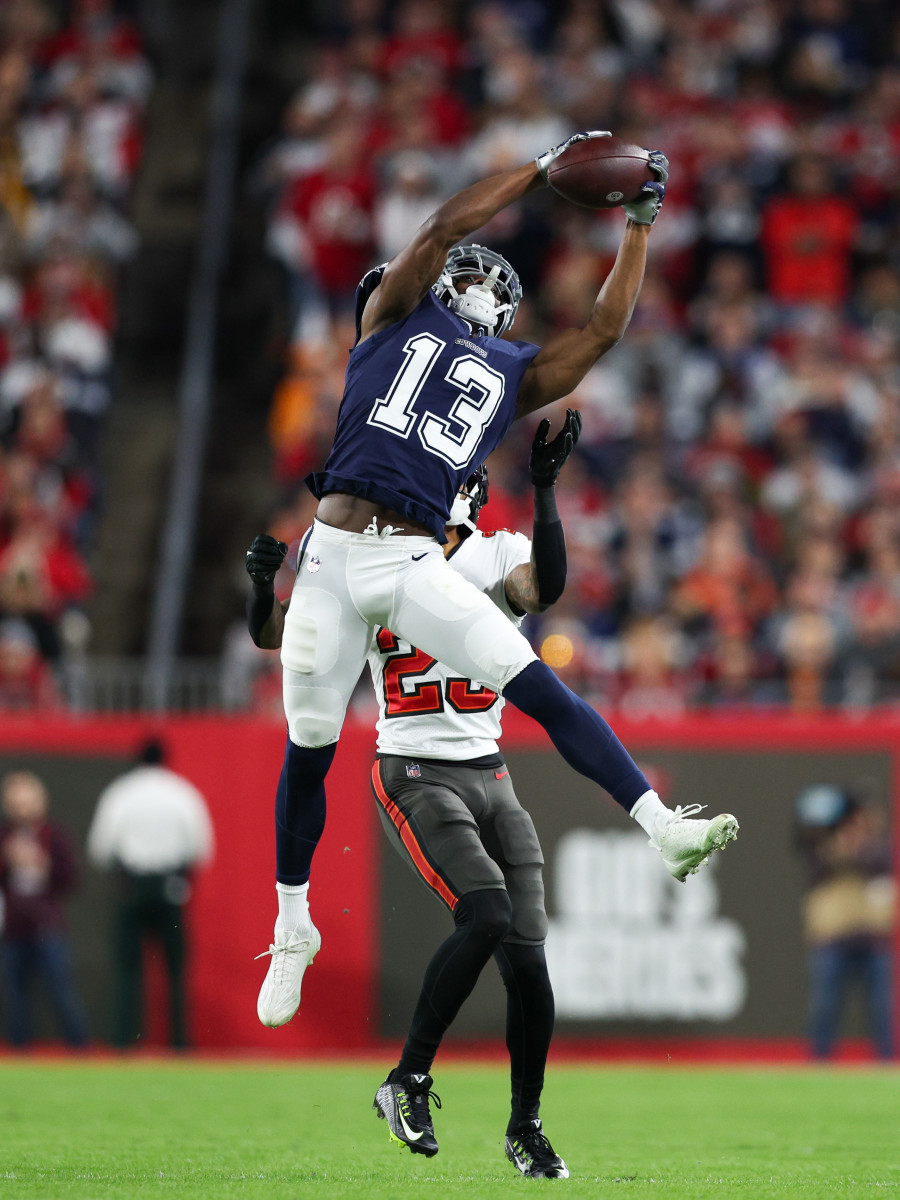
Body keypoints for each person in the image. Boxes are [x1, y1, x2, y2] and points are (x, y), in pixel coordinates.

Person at [248, 131, 738, 1032]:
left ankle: (661, 823)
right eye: (467, 276)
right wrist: (541, 170)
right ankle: (292, 925)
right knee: (308, 743)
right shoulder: (391, 319)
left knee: (537, 684)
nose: (479, 286)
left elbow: (603, 331)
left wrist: (638, 224)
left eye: (491, 282)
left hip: (412, 560)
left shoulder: (512, 371)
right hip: (331, 552)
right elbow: (439, 224)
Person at [249, 412, 581, 1176]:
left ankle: (525, 1127)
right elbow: (279, 636)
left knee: (528, 961)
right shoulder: (366, 556)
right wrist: (263, 586)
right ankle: (408, 1078)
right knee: (488, 911)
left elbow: (547, 586)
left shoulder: (496, 554)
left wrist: (546, 489)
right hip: (414, 766)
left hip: (490, 769)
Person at [86, 739, 214, 1048]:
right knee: (175, 971)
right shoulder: (181, 793)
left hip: (132, 888)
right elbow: (201, 848)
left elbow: (100, 848)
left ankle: (124, 1041)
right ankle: (179, 1043)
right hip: (170, 888)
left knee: (128, 969)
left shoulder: (121, 793)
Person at [794, 784, 895, 1060]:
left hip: (873, 940)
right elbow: (814, 866)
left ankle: (888, 1065)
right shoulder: (822, 846)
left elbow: (876, 863)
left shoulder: (880, 848)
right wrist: (838, 843)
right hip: (832, 939)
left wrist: (855, 848)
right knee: (825, 1006)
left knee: (882, 1009)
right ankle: (819, 1063)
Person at [0, 769, 88, 1049]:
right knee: (15, 997)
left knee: (61, 991)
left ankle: (80, 1049)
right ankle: (19, 1053)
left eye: (28, 801)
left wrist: (43, 864)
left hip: (47, 927)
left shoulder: (55, 835)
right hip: (12, 928)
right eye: (17, 802)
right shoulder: (4, 837)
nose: (23, 809)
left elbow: (70, 878)